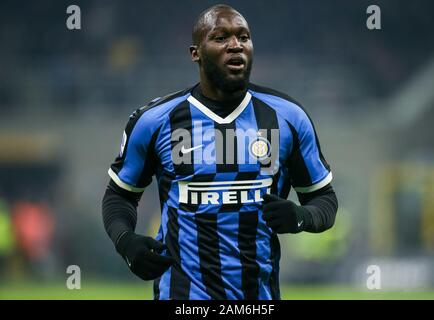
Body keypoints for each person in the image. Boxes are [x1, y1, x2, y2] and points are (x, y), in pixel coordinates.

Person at [102, 4, 338, 300]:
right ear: (195, 53)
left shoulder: (288, 117)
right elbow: (120, 195)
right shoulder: (155, 121)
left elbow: (324, 199)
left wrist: (301, 216)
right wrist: (126, 242)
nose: (236, 45)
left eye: (243, 37)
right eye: (221, 38)